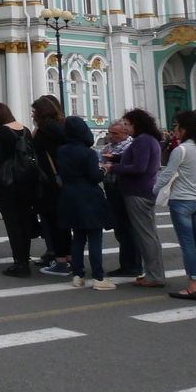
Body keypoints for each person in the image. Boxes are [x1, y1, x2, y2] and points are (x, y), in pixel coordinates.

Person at [156, 110, 196, 300]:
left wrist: (154, 189)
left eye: (176, 126)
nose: (174, 129)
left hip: (182, 200)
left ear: (184, 128)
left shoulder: (180, 150)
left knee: (188, 244)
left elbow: (167, 174)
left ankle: (193, 285)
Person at [56, 115, 114, 290]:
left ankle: (78, 275)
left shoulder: (62, 150)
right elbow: (94, 177)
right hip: (89, 195)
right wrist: (104, 170)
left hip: (69, 195)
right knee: (95, 237)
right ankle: (98, 277)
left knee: (78, 237)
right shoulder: (88, 152)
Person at [110, 108, 166, 288]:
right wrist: (116, 158)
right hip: (145, 190)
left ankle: (154, 276)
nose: (125, 128)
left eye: (127, 124)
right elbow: (138, 161)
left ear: (136, 124)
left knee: (145, 235)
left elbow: (138, 167)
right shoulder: (149, 140)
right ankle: (153, 273)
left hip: (138, 192)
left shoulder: (142, 140)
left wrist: (112, 167)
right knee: (149, 234)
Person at [0, 102, 38, 277]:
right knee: (24, 220)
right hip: (27, 181)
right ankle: (26, 258)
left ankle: (20, 263)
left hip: (8, 182)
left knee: (13, 223)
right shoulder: (24, 129)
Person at [31, 95, 72, 276]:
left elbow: (32, 148)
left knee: (53, 221)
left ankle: (60, 260)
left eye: (34, 111)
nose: (32, 114)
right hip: (63, 179)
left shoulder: (44, 130)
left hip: (48, 181)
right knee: (63, 222)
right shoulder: (64, 128)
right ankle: (69, 258)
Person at [98, 119, 141, 277]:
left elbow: (130, 164)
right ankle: (126, 264)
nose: (111, 136)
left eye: (115, 133)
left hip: (123, 188)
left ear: (125, 132)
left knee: (128, 228)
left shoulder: (131, 145)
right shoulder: (109, 146)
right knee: (119, 227)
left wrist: (112, 164)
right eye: (109, 133)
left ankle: (133, 265)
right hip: (111, 187)